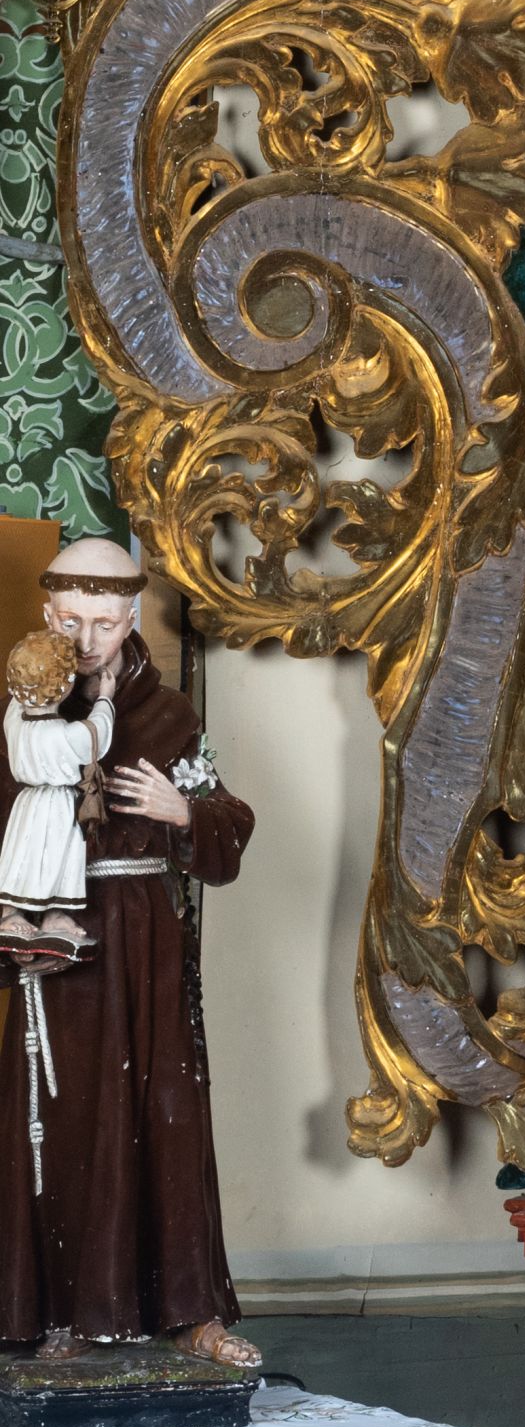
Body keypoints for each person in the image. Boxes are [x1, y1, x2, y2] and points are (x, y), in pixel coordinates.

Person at [0, 540, 257, 1363]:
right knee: (65, 1115)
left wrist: (184, 814)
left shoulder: (169, 715)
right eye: (70, 621)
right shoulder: (20, 715)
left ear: (132, 618)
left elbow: (228, 823)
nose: (86, 640)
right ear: (47, 615)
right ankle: (64, 1312)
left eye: (105, 623)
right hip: (60, 946)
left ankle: (191, 1313)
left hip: (146, 939)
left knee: (167, 1115)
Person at [0, 627, 108, 966]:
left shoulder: (14, 723)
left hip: (27, 805)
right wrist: (105, 698)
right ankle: (29, 914)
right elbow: (99, 733)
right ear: (67, 686)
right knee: (56, 858)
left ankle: (23, 912)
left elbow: (17, 701)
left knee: (22, 857)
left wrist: (26, 677)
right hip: (58, 806)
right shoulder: (66, 734)